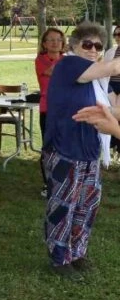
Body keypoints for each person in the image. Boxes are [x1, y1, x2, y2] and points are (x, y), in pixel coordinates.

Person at [43, 22, 120, 280]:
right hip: (65, 150)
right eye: (87, 44)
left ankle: (77, 253)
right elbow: (114, 66)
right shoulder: (69, 64)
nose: (93, 49)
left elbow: (112, 112)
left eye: (98, 46)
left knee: (87, 207)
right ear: (75, 46)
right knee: (63, 206)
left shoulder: (96, 80)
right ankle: (58, 259)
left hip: (89, 153)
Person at [35, 27, 66, 197]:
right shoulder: (41, 60)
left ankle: (62, 181)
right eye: (51, 40)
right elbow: (51, 72)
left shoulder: (67, 59)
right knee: (49, 147)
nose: (55, 43)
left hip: (66, 109)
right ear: (44, 44)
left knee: (64, 146)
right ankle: (48, 184)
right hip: (48, 109)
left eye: (59, 40)